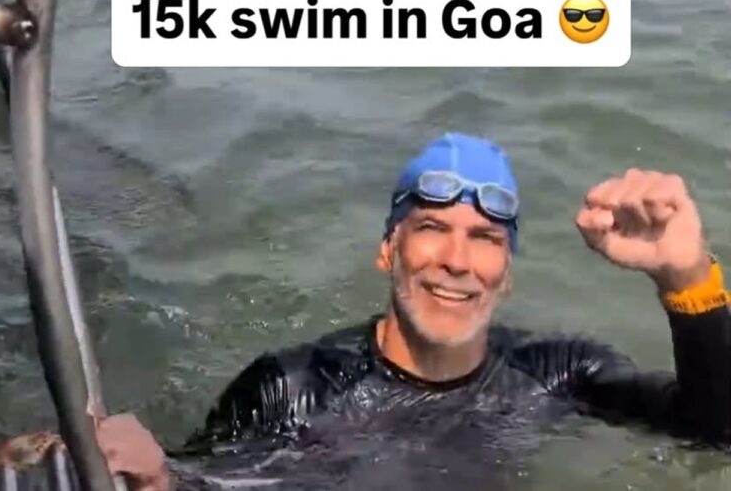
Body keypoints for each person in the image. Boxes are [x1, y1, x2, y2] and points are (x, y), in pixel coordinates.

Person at [93, 132, 731, 491]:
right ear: (388, 251)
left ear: (506, 273)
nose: (456, 260)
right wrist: (160, 476)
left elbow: (712, 431)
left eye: (484, 238)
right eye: (432, 228)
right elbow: (203, 480)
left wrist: (684, 276)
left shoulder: (555, 373)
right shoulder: (293, 387)